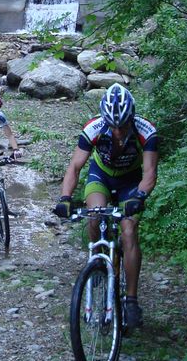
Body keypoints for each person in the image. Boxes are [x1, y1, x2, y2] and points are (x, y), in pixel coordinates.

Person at [54, 83, 158, 328]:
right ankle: (100, 262)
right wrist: (65, 198)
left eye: (123, 125)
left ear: (131, 118)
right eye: (113, 126)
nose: (118, 131)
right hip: (100, 176)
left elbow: (150, 173)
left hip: (130, 181)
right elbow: (75, 167)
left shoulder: (146, 131)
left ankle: (131, 300)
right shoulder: (94, 128)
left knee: (129, 231)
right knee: (95, 217)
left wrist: (139, 197)